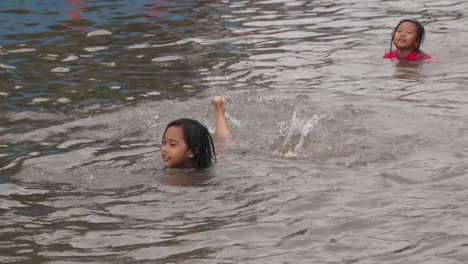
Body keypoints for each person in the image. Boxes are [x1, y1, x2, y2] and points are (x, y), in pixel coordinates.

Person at [161, 96, 233, 169]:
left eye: (173, 144)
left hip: (221, 159)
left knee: (225, 144)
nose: (164, 149)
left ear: (192, 151)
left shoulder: (202, 175)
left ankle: (219, 109)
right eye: (164, 142)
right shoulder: (169, 165)